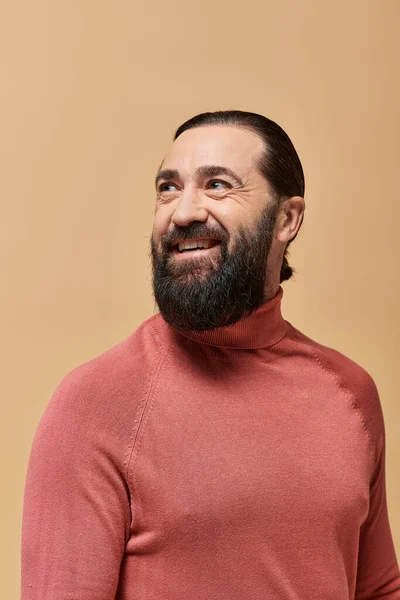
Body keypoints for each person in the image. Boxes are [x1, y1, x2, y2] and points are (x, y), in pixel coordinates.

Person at [21, 110, 400, 599]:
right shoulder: (93, 403)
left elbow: (377, 587)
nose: (183, 212)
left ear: (287, 219)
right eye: (168, 188)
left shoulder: (351, 392)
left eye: (218, 185)